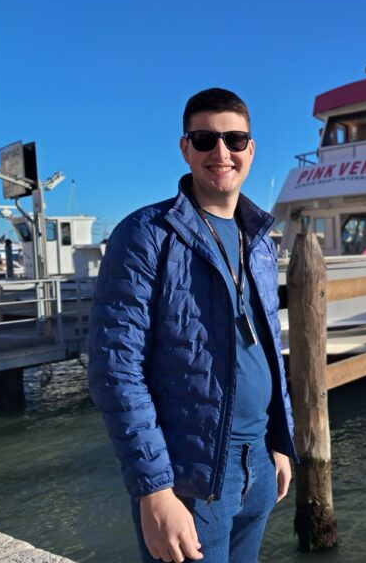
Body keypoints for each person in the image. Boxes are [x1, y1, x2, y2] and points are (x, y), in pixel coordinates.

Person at [88, 88, 297, 563]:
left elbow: (269, 346)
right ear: (185, 148)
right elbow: (115, 369)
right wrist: (155, 490)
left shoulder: (260, 241)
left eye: (234, 139)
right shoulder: (145, 234)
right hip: (190, 479)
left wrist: (279, 441)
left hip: (259, 462)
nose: (221, 152)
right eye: (205, 139)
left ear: (250, 149)